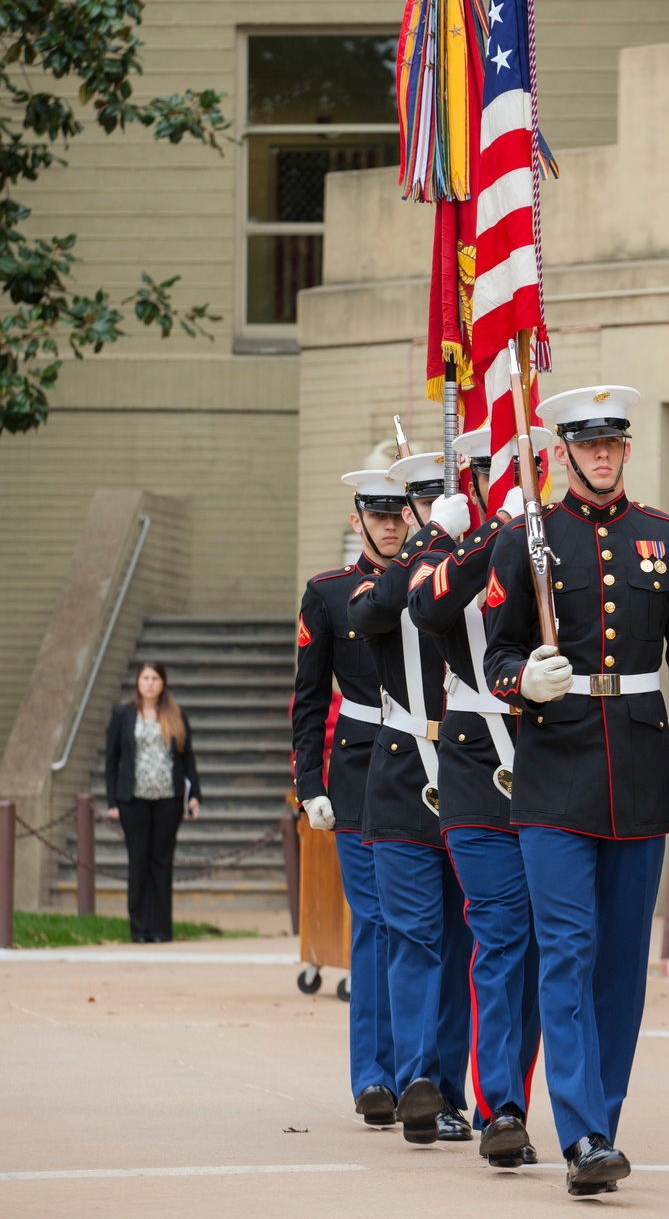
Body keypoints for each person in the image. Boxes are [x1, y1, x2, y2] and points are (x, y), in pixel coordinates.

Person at [483, 384, 669, 1198]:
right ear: (564, 452)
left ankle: (601, 1128)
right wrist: (524, 681)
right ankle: (580, 1129)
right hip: (555, 772)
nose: (605, 456)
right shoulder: (526, 539)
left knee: (620, 966)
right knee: (568, 954)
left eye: (615, 443)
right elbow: (495, 655)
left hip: (643, 773)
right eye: (590, 445)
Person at [407, 425, 550, 1170]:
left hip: (548, 757)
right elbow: (426, 609)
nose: (501, 480)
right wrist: (469, 532)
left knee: (538, 945)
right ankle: (501, 1107)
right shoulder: (444, 544)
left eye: (515, 469)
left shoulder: (549, 537)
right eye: (489, 470)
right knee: (500, 934)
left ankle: (512, 1097)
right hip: (471, 757)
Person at [349, 451, 473, 1147]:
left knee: (461, 942)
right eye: (406, 509)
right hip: (401, 773)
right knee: (413, 938)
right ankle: (416, 1079)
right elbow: (382, 608)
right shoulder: (374, 584)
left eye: (423, 507)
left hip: (467, 766)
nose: (409, 520)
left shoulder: (466, 564)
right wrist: (432, 540)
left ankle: (448, 1091)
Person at [291, 468, 407, 1128]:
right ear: (359, 517)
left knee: (423, 925)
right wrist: (311, 783)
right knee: (376, 923)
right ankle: (373, 1075)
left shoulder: (427, 584)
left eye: (400, 514)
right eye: (378, 514)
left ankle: (424, 1072)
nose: (390, 525)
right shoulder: (329, 595)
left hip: (427, 766)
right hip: (359, 769)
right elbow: (309, 700)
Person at [105, 661, 200, 943]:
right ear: (137, 682)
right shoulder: (123, 714)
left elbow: (187, 758)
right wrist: (112, 800)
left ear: (163, 683)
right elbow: (112, 762)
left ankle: (160, 930)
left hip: (168, 800)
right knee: (138, 862)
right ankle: (139, 930)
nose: (149, 683)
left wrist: (194, 795)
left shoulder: (175, 714)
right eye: (145, 677)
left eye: (155, 678)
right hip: (133, 801)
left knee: (161, 862)